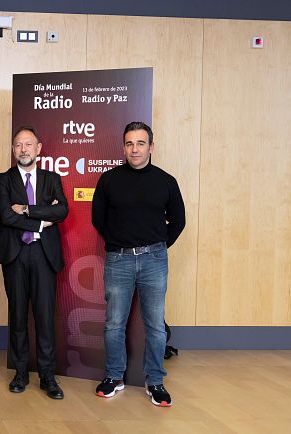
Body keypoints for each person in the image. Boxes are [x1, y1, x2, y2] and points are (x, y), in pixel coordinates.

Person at [92, 121, 185, 407]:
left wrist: (156, 246)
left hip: (154, 260)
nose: (135, 148)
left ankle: (155, 380)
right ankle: (113, 376)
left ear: (151, 147)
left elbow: (178, 221)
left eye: (141, 143)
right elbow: (99, 219)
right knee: (113, 324)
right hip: (118, 259)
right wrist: (121, 242)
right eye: (130, 143)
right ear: (124, 147)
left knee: (155, 325)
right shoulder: (108, 180)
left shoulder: (166, 181)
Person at [0, 126, 68, 400]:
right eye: (18, 145)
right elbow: (6, 217)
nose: (22, 150)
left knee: (45, 316)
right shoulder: (3, 179)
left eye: (28, 145)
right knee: (18, 315)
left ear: (38, 148)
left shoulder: (51, 178)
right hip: (15, 253)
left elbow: (63, 210)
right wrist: (44, 220)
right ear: (13, 150)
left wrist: (26, 209)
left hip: (44, 253)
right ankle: (20, 373)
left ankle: (48, 376)